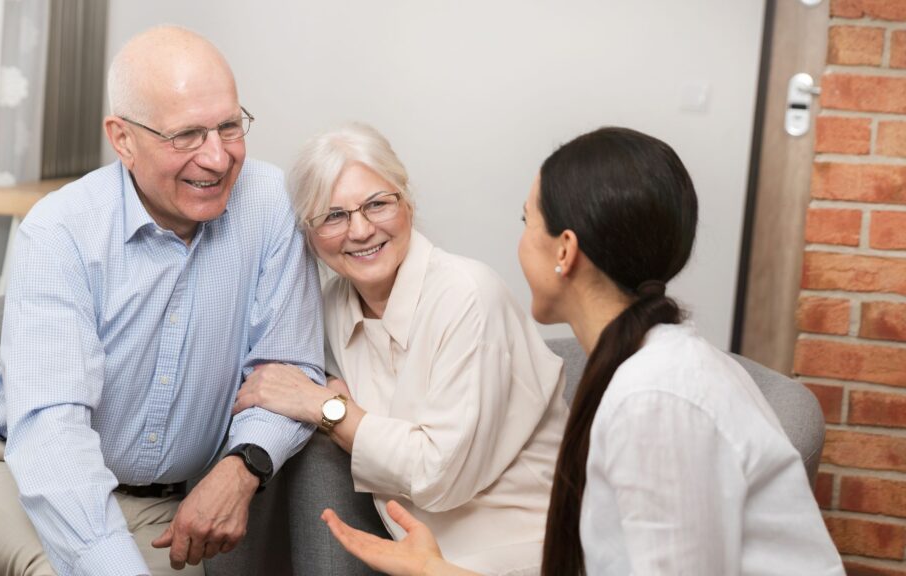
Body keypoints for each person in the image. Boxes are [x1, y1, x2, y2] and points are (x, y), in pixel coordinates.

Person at [318, 127, 846, 576]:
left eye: (527, 223)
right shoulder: (643, 367)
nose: (519, 242)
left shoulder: (658, 400)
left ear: (564, 251)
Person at [0, 26, 325, 576]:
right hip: (11, 472)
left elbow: (288, 368)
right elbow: (52, 433)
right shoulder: (61, 230)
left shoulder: (271, 207)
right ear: (122, 139)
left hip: (156, 503)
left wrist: (243, 465)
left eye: (230, 126)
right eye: (186, 135)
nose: (217, 158)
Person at [232, 123, 570, 575]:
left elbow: (440, 475)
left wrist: (326, 406)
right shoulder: (332, 305)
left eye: (377, 204)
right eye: (333, 216)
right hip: (418, 559)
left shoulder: (467, 295)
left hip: (520, 556)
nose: (361, 229)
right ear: (309, 235)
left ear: (406, 202)